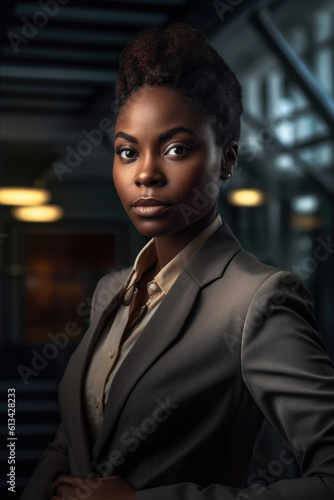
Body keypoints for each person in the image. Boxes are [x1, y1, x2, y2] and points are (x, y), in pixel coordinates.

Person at [21, 23, 334, 500]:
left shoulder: (256, 301)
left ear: (227, 159)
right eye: (127, 151)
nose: (145, 173)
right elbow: (77, 433)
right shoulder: (113, 290)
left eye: (176, 149)